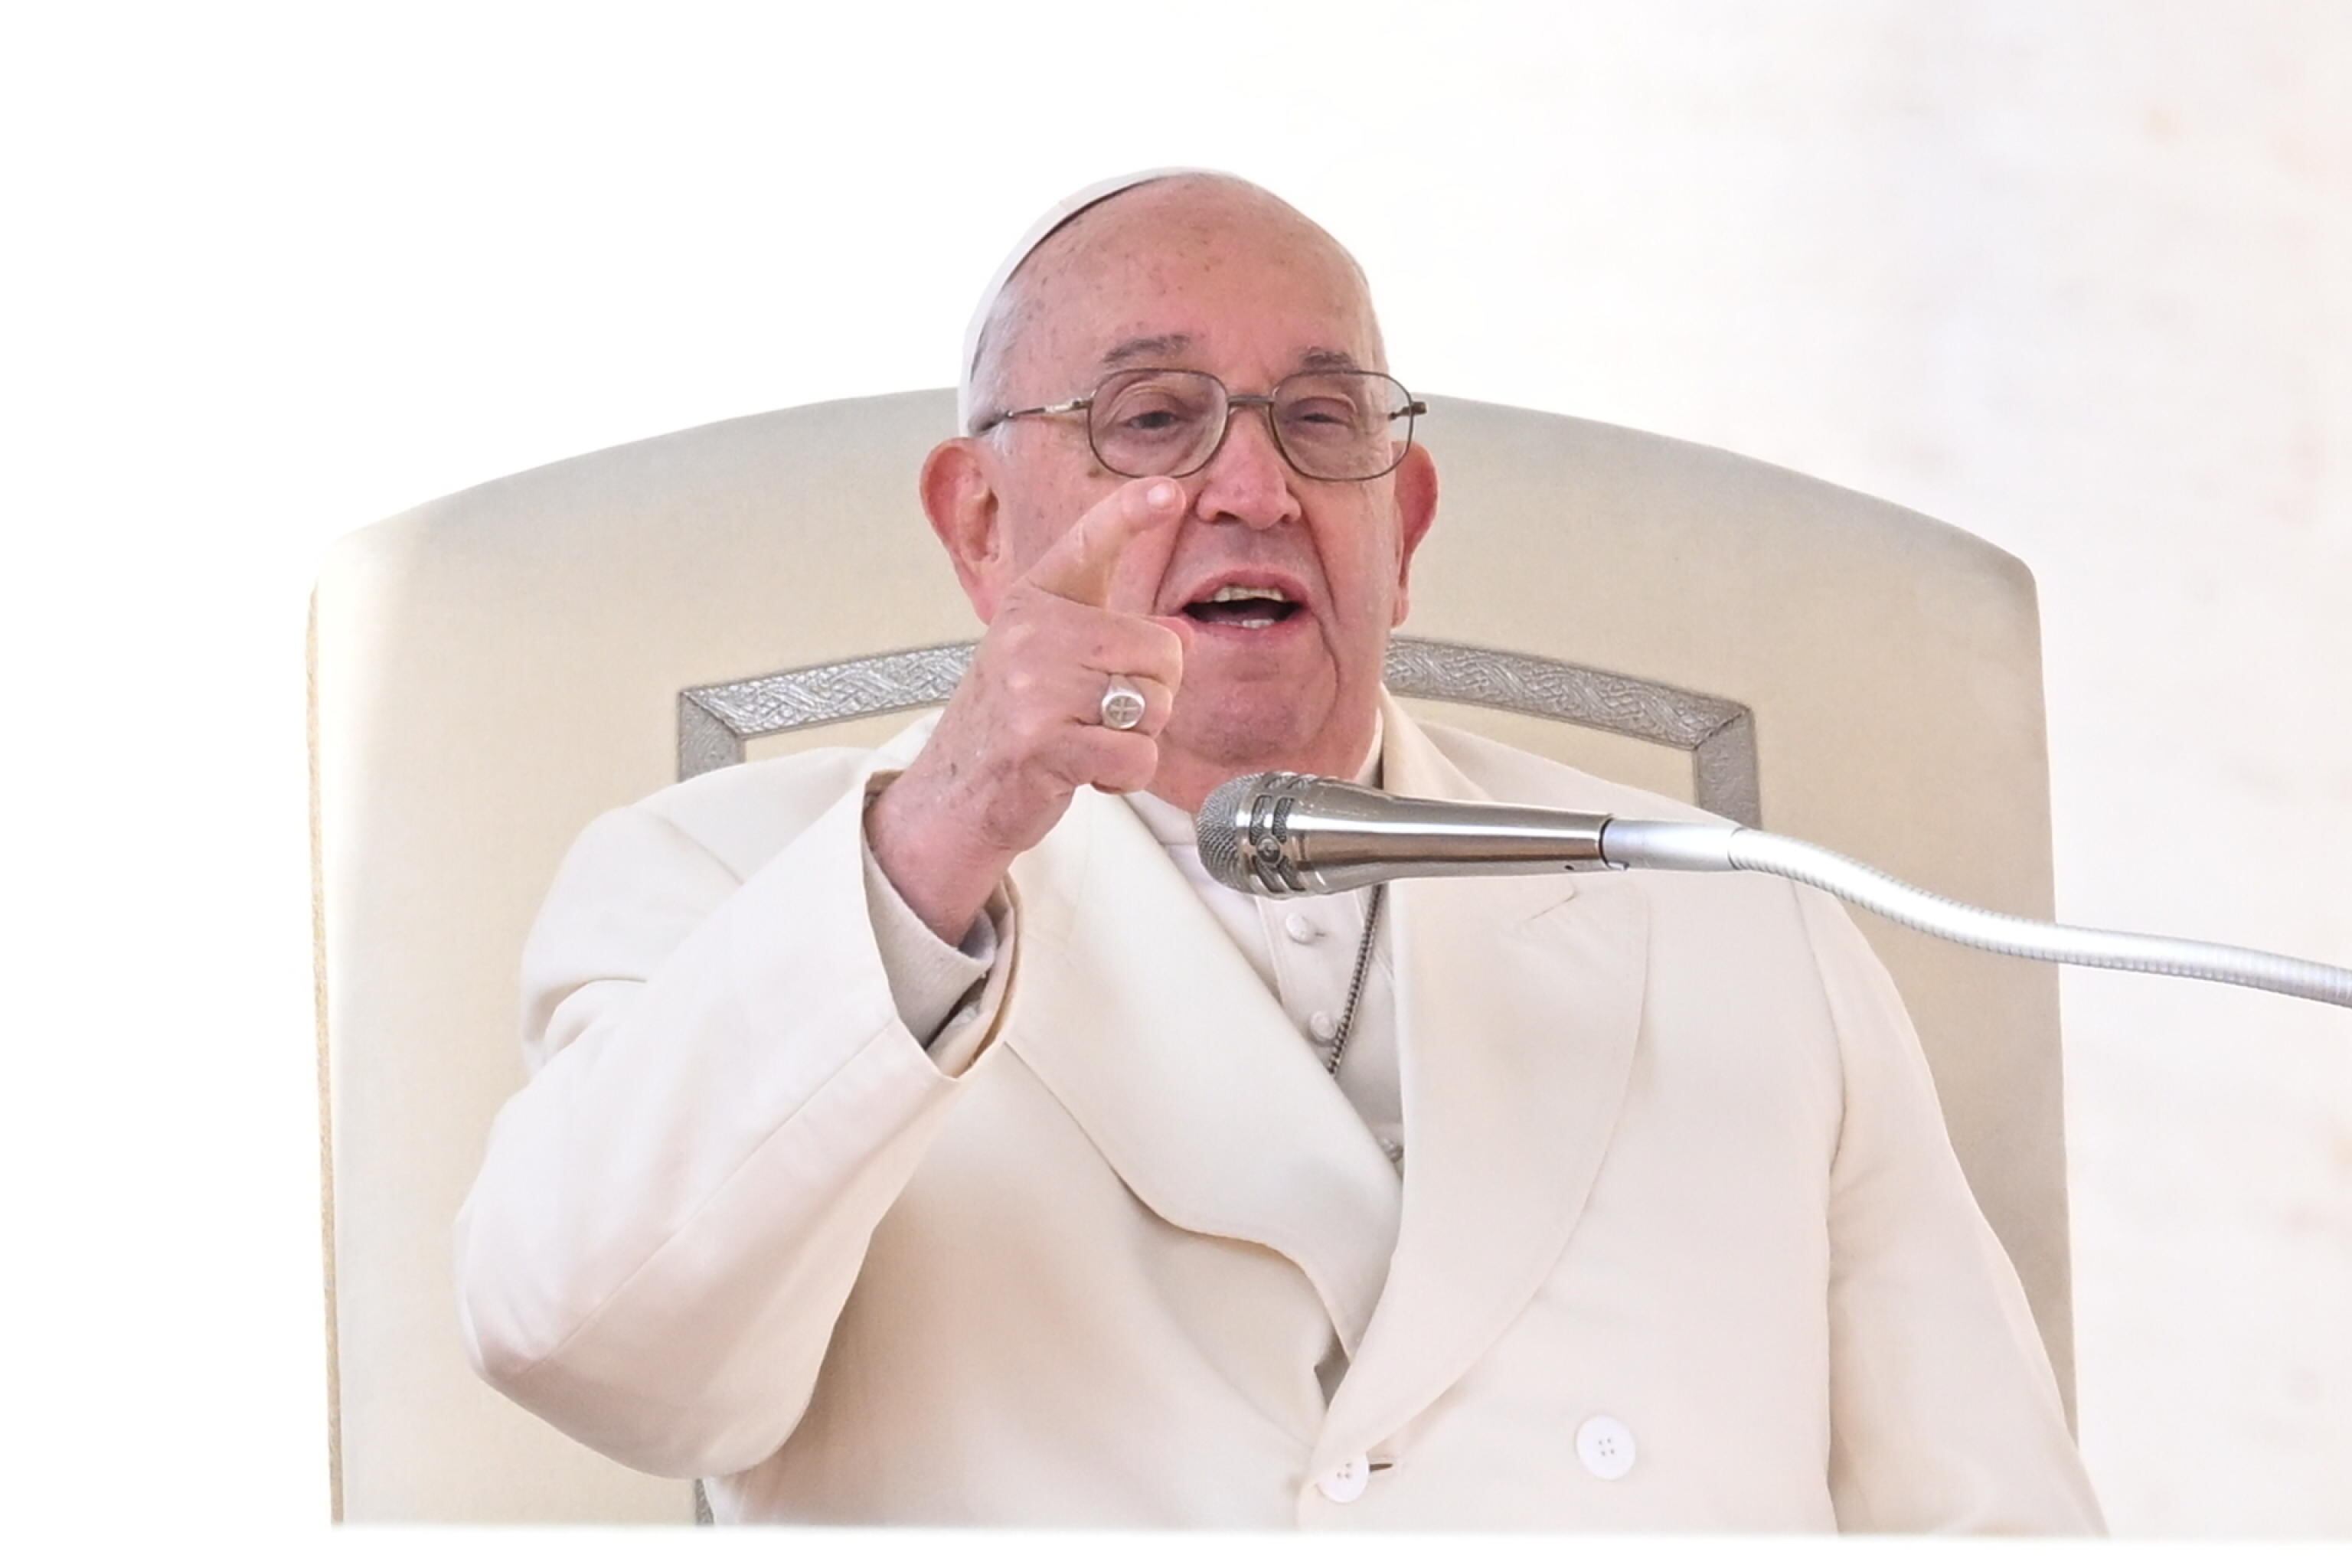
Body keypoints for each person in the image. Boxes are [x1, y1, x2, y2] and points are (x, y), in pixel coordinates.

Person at [453, 170, 2104, 1530]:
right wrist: (946, 830)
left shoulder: (1734, 914)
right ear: (981, 525)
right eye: (1154, 417)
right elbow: (583, 1349)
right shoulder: (725, 879)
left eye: (1323, 421)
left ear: (1407, 524)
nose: (1252, 484)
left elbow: (1993, 1526)